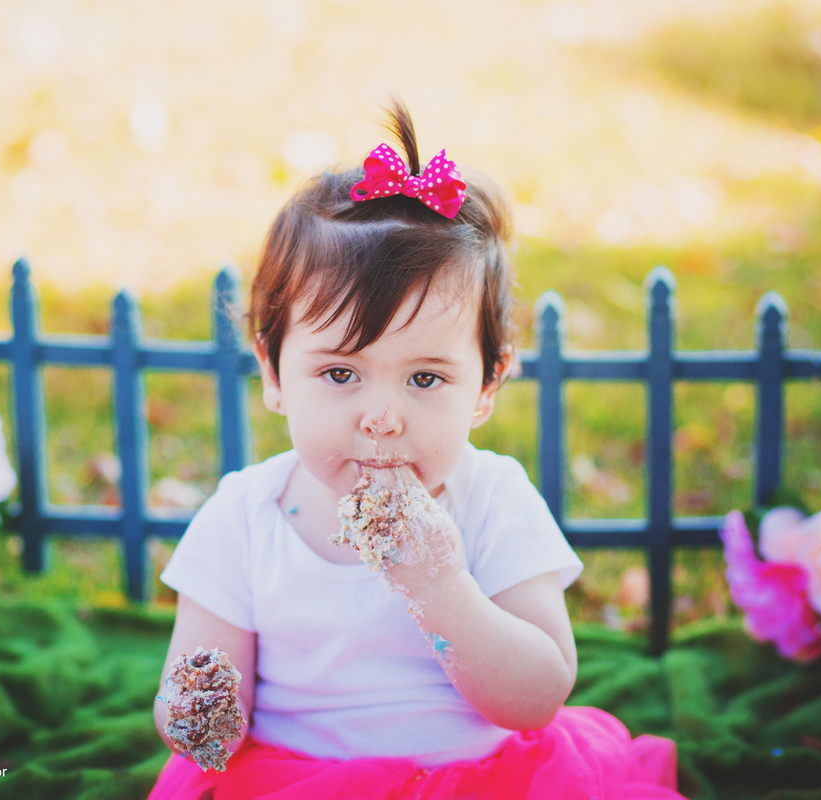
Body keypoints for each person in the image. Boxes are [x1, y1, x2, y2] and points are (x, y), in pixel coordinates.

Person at [147, 100, 685, 800]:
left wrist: (440, 585)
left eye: (425, 379)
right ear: (274, 375)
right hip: (296, 781)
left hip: (479, 781)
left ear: (486, 387)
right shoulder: (245, 518)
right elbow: (201, 716)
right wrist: (199, 710)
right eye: (340, 374)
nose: (382, 418)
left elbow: (535, 698)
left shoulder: (491, 499)